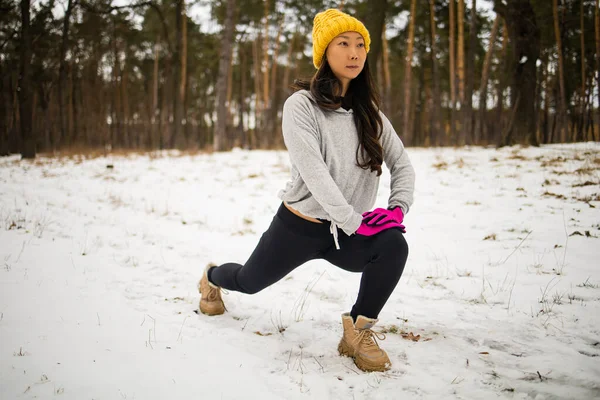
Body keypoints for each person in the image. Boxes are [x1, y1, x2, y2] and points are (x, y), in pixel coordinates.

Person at [198, 8, 415, 373]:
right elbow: (315, 174)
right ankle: (212, 277)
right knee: (248, 282)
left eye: (360, 44)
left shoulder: (371, 115)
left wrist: (397, 209)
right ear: (324, 54)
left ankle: (357, 331)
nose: (354, 52)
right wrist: (352, 220)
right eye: (343, 43)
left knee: (394, 244)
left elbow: (403, 164)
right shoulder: (301, 106)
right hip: (299, 226)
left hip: (347, 233)